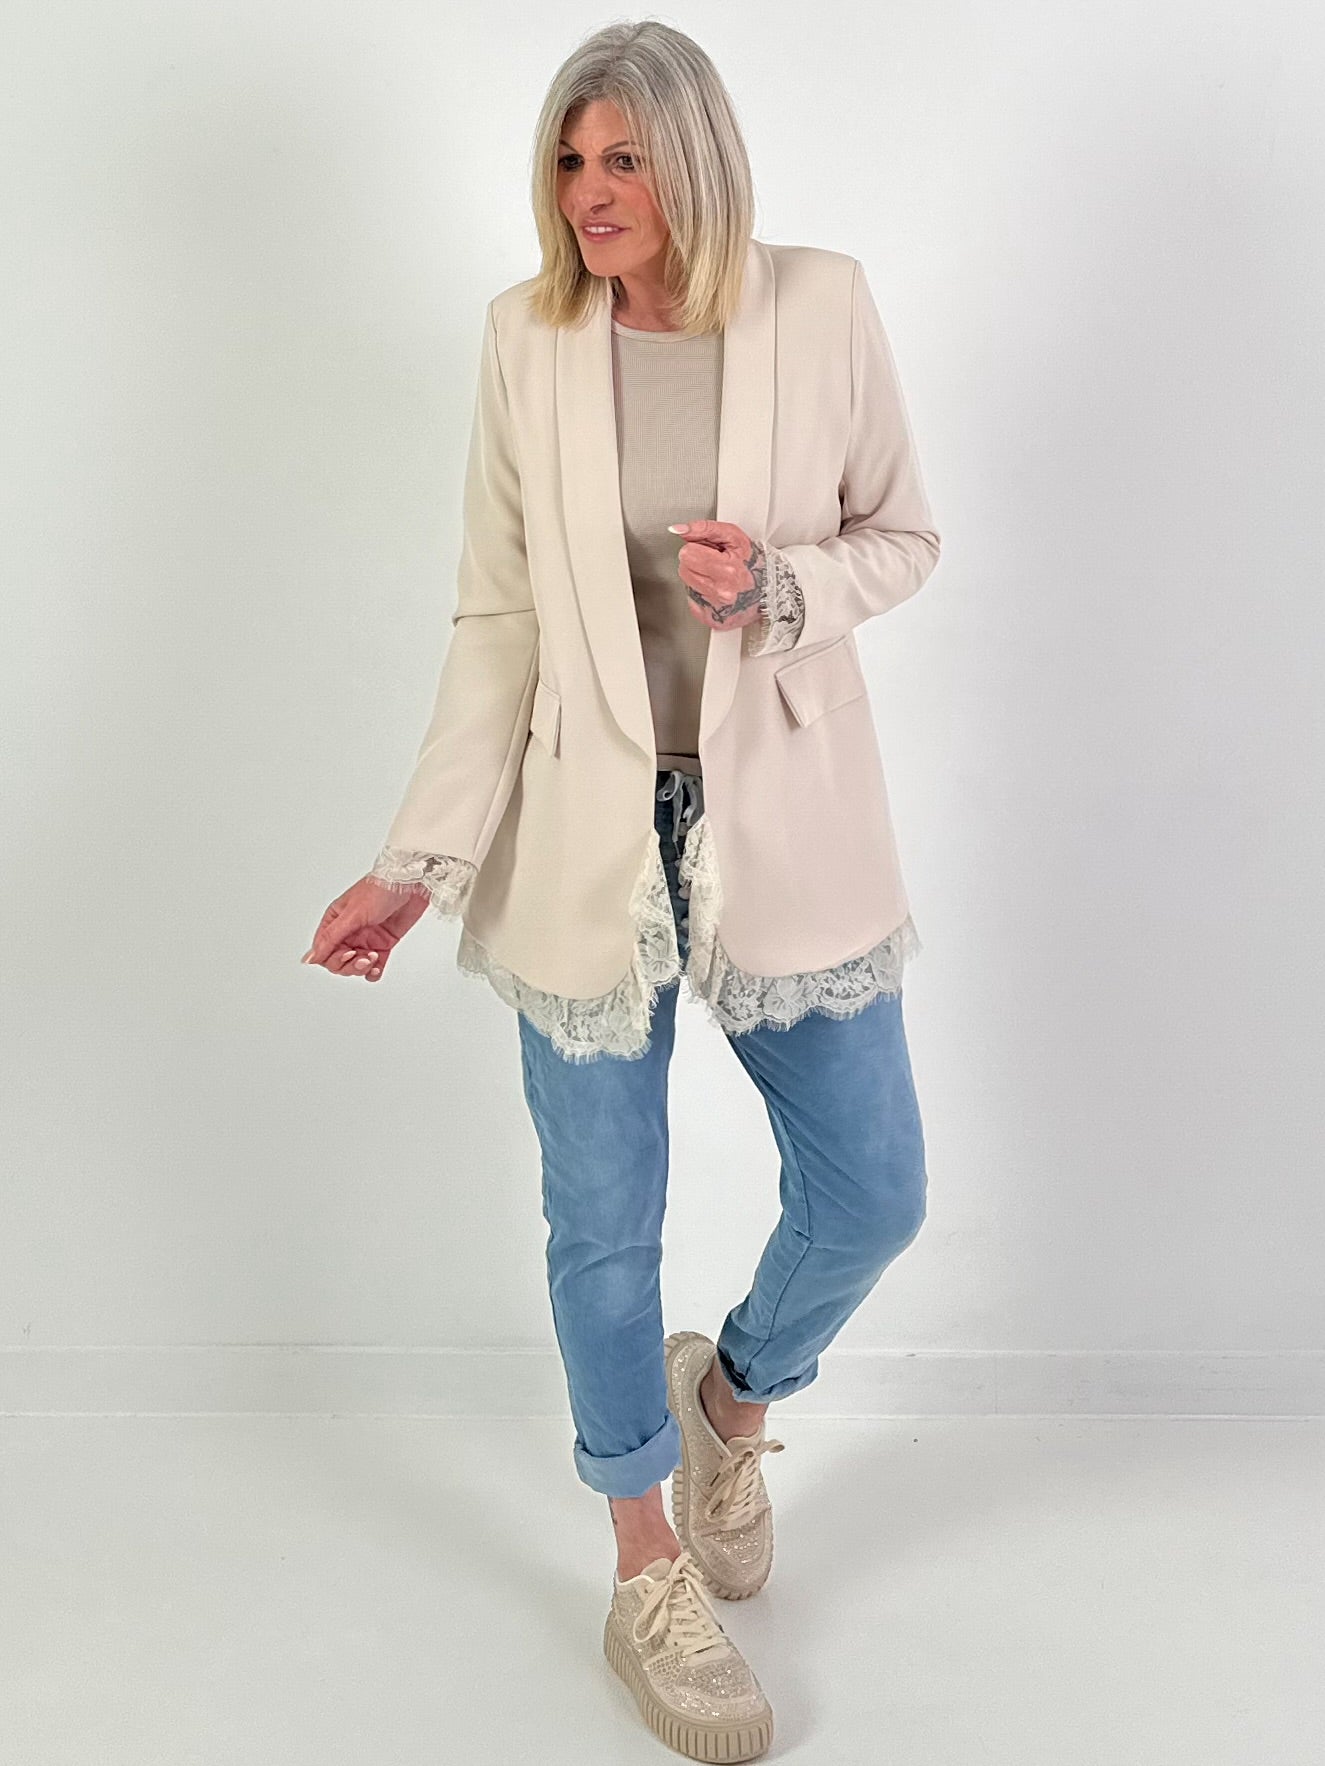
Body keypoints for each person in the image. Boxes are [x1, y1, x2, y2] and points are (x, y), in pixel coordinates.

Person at [302, 20, 940, 1762]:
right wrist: (418, 859)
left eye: (624, 160)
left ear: (693, 162)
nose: (589, 193)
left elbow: (902, 533)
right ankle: (643, 1562)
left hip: (784, 819)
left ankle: (728, 1396)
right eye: (571, 161)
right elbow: (498, 616)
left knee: (874, 1187)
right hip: (585, 831)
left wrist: (782, 586)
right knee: (602, 1219)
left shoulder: (820, 305)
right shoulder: (524, 338)